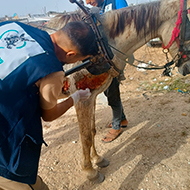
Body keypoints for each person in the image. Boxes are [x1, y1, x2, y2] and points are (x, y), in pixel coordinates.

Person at [0, 20, 98, 189]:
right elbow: (49, 114)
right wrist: (75, 97)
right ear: (71, 55)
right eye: (82, 59)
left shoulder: (14, 26)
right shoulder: (52, 71)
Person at [85, 0, 129, 143]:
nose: (88, 2)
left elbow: (127, 23)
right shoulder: (99, 7)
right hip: (105, 54)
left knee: (112, 88)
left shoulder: (117, 1)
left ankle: (117, 125)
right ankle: (122, 119)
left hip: (116, 54)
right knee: (108, 88)